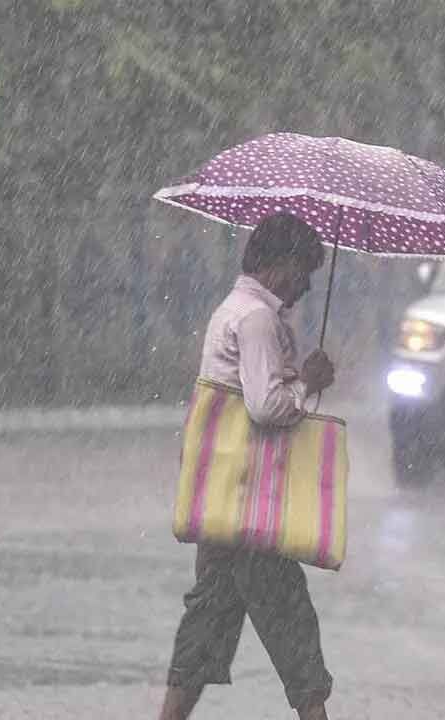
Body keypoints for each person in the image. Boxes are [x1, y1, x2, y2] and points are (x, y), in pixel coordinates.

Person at [159, 213, 337, 720]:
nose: (304, 286)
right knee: (291, 622)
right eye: (303, 272)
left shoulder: (232, 310)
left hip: (223, 500)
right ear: (280, 264)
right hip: (252, 504)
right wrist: (307, 382)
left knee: (208, 622)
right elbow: (266, 408)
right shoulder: (257, 319)